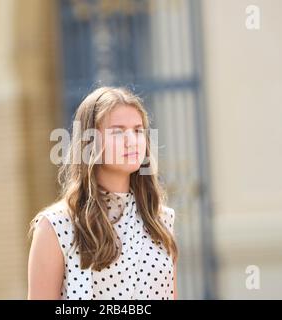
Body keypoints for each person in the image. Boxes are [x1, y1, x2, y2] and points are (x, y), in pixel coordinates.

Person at [27, 86, 178, 300]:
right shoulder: (56, 225)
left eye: (137, 130)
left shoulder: (160, 220)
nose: (131, 140)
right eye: (117, 131)